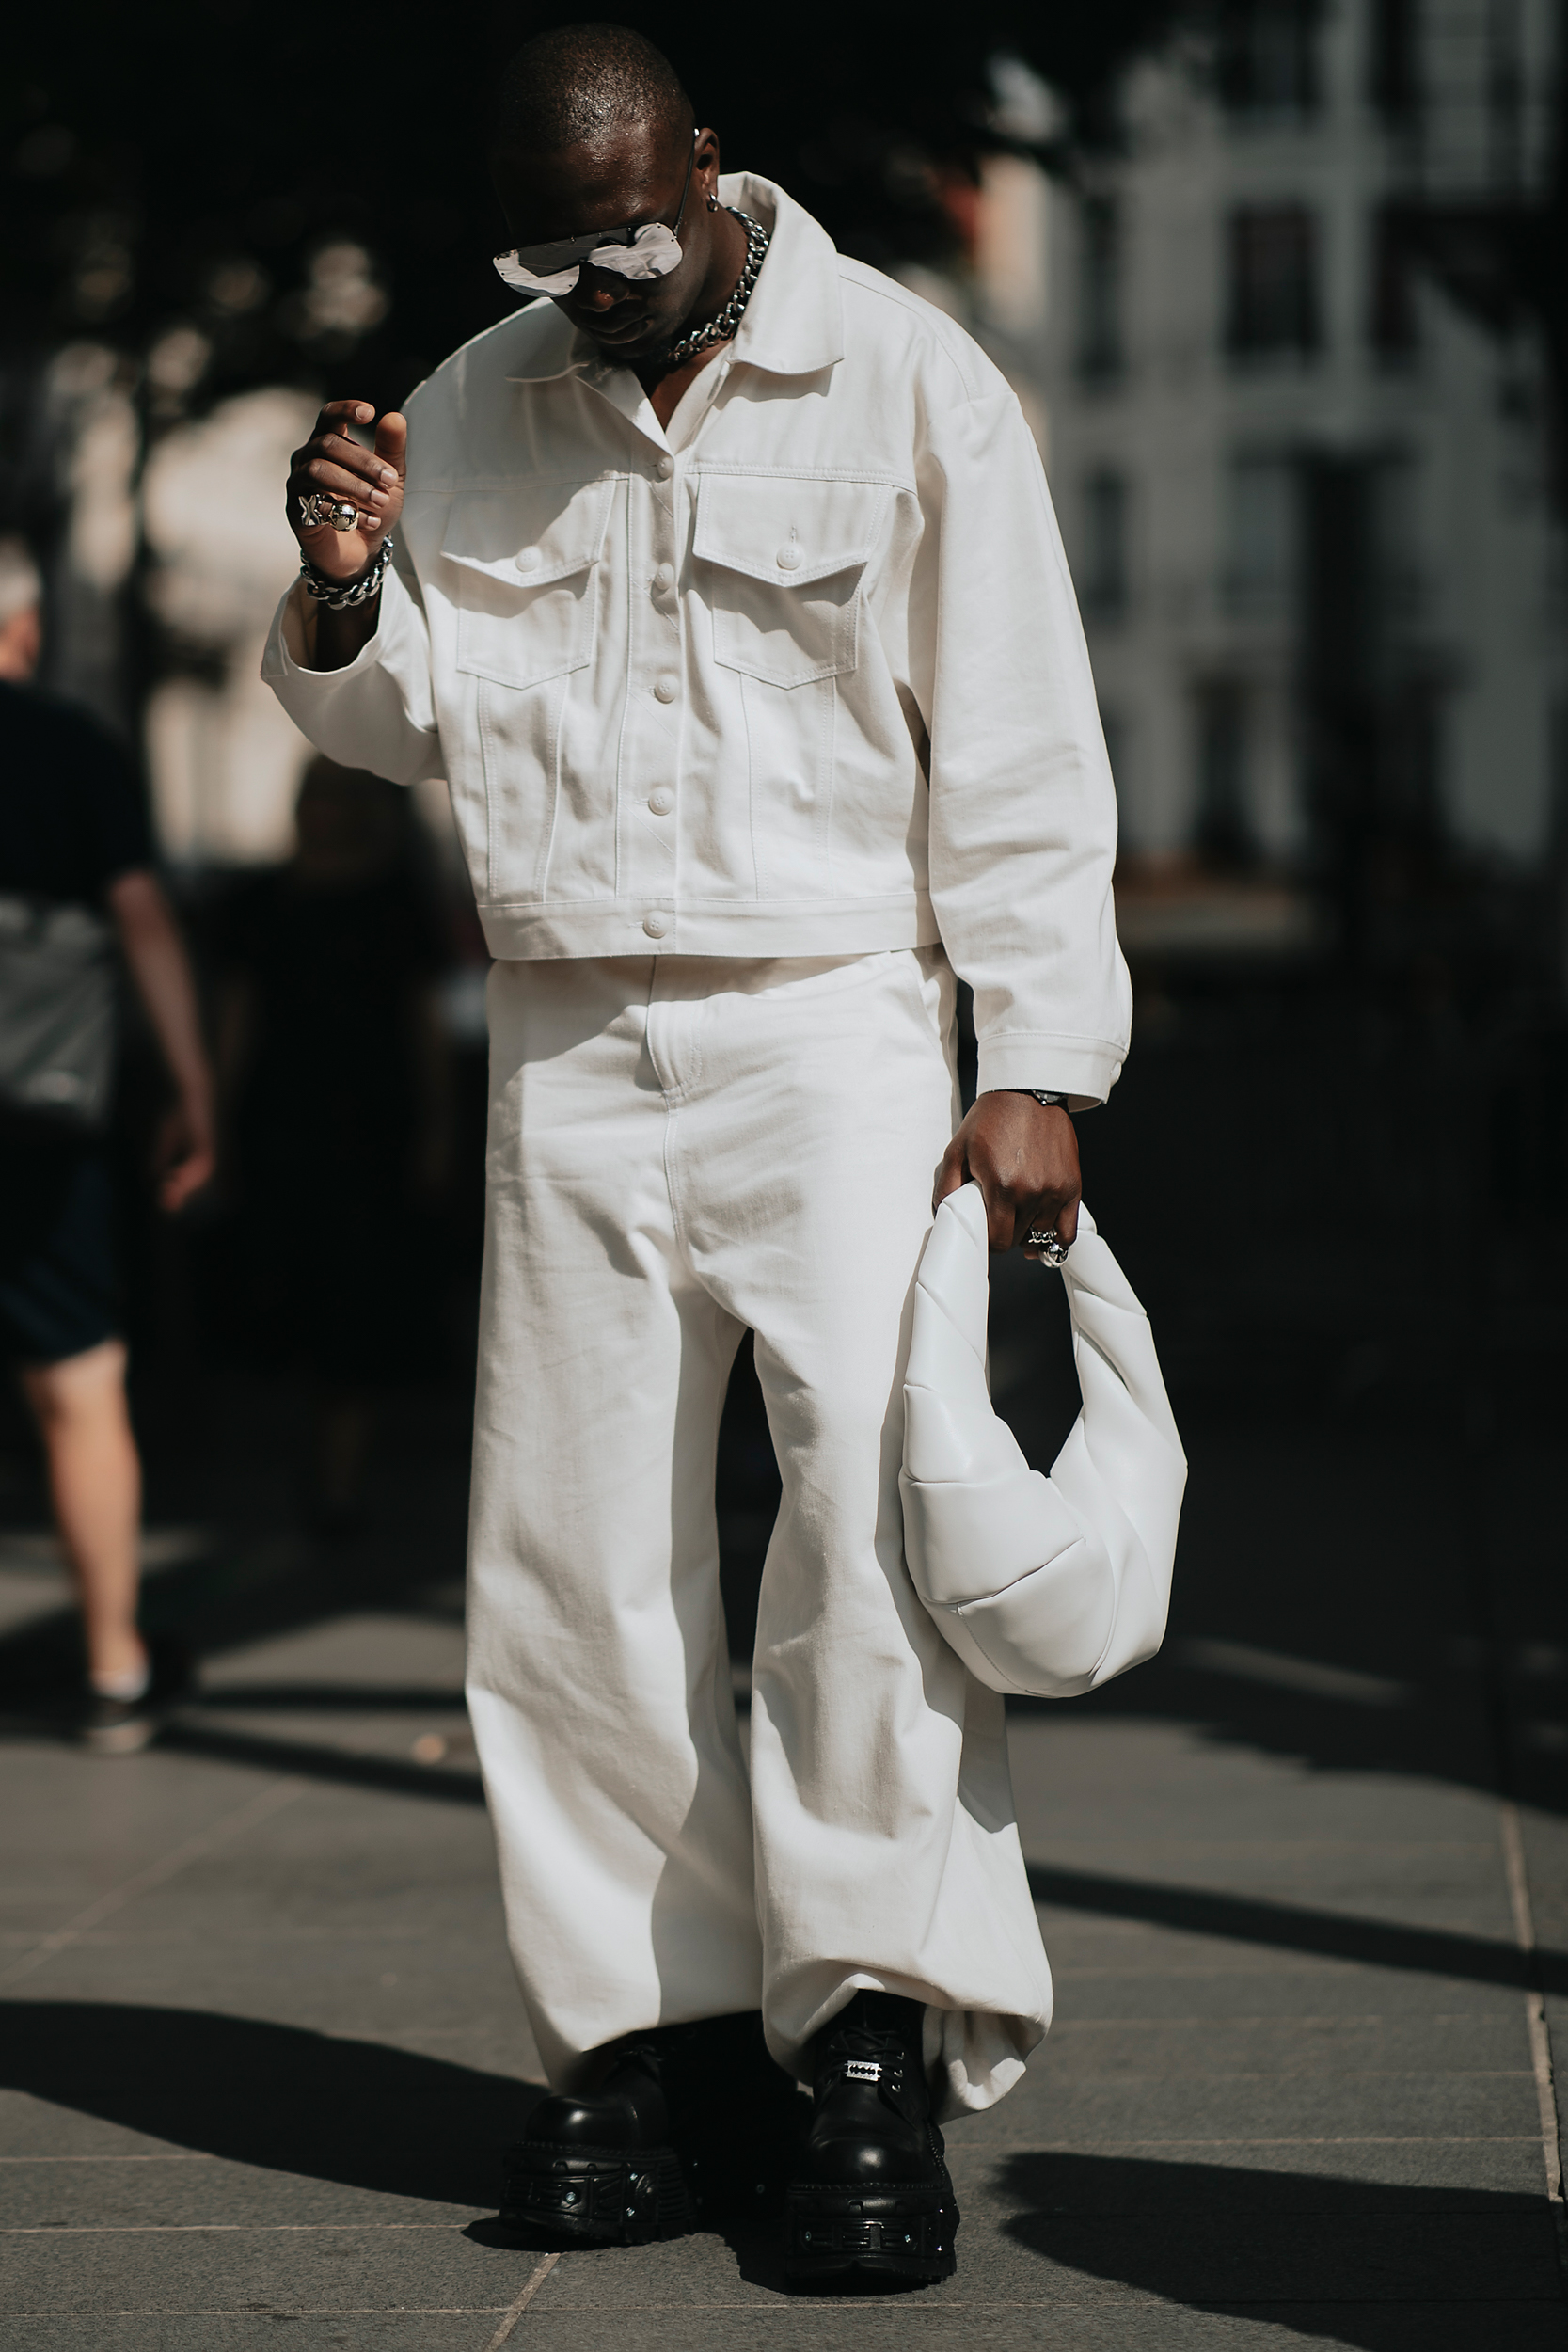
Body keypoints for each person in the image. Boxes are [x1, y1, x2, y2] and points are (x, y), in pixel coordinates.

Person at [263, 24, 1132, 2289]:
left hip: (836, 1018)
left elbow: (1022, 725)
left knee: (859, 1525)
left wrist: (1037, 1051)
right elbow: (406, 717)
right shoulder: (477, 392)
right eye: (551, 244)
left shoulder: (909, 380)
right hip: (565, 1033)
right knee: (564, 1553)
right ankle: (638, 2041)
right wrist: (349, 590)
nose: (596, 278)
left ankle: (861, 2038)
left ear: (710, 166)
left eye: (629, 229)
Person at [0, 536, 214, 1752]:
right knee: (79, 1385)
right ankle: (114, 1669)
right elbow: (140, 918)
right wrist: (191, 1088)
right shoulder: (69, 744)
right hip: (40, 1108)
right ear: (25, 631)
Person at [214, 756, 452, 1530]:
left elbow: (425, 1027)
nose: (322, 810)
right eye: (314, 794)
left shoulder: (396, 902)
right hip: (279, 1123)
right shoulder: (259, 899)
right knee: (283, 1293)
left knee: (357, 1303)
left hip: (370, 1127)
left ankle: (337, 1480)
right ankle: (301, 1466)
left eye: (338, 796)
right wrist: (212, 1115)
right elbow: (235, 1019)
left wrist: (437, 1126)